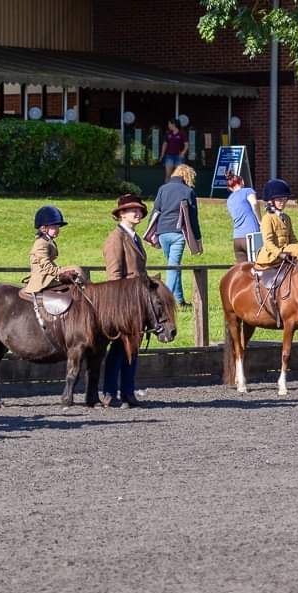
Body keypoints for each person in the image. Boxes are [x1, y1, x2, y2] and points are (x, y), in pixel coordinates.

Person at [102, 193, 149, 408]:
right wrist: (120, 304)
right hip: (123, 302)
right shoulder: (116, 238)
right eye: (133, 210)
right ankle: (110, 392)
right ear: (121, 214)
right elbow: (114, 275)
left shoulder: (134, 237)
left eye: (139, 210)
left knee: (133, 348)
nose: (137, 213)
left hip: (137, 301)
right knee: (120, 348)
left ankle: (128, 392)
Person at [152, 164, 202, 306]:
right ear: (187, 176)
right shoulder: (188, 191)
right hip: (178, 234)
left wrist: (153, 234)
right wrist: (198, 240)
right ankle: (164, 300)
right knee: (173, 267)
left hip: (162, 233)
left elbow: (156, 211)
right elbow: (193, 218)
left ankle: (179, 300)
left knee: (173, 265)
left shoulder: (162, 189)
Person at [21, 205, 84, 300]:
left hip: (48, 274)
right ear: (43, 228)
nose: (58, 230)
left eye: (58, 227)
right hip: (43, 278)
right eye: (54, 226)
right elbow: (46, 266)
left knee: (77, 269)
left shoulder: (47, 241)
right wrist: (61, 273)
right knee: (76, 274)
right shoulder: (41, 243)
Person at [253, 178, 298, 269]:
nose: (282, 203)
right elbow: (268, 243)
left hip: (286, 251)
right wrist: (279, 254)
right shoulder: (267, 218)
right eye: (279, 200)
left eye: (285, 199)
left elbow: (292, 238)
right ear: (271, 201)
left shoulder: (286, 218)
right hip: (271, 256)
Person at [225, 172, 260, 263]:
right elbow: (255, 203)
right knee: (258, 267)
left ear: (229, 188)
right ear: (242, 182)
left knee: (243, 270)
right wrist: (260, 220)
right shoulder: (248, 191)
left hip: (237, 238)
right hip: (251, 234)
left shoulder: (229, 200)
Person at [158, 118, 189, 183]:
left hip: (179, 157)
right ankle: (167, 191)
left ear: (173, 124)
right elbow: (165, 144)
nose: (168, 125)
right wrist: (162, 155)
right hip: (169, 156)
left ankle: (178, 191)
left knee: (178, 176)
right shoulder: (168, 133)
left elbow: (186, 145)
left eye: (169, 124)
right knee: (168, 175)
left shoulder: (182, 133)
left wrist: (183, 153)